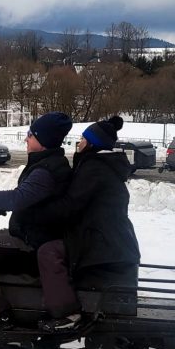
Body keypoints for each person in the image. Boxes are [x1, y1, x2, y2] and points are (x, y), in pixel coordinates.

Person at [0, 112, 74, 328]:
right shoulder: (49, 164)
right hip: (30, 232)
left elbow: (17, 198)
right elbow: (30, 199)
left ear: (44, 140)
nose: (26, 138)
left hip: (33, 242)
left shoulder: (46, 171)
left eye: (31, 134)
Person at [29, 116, 141, 331]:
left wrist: (36, 213)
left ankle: (67, 314)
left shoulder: (94, 168)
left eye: (81, 139)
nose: (78, 144)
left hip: (102, 240)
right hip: (108, 236)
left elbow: (70, 205)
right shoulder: (100, 165)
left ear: (91, 143)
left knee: (49, 252)